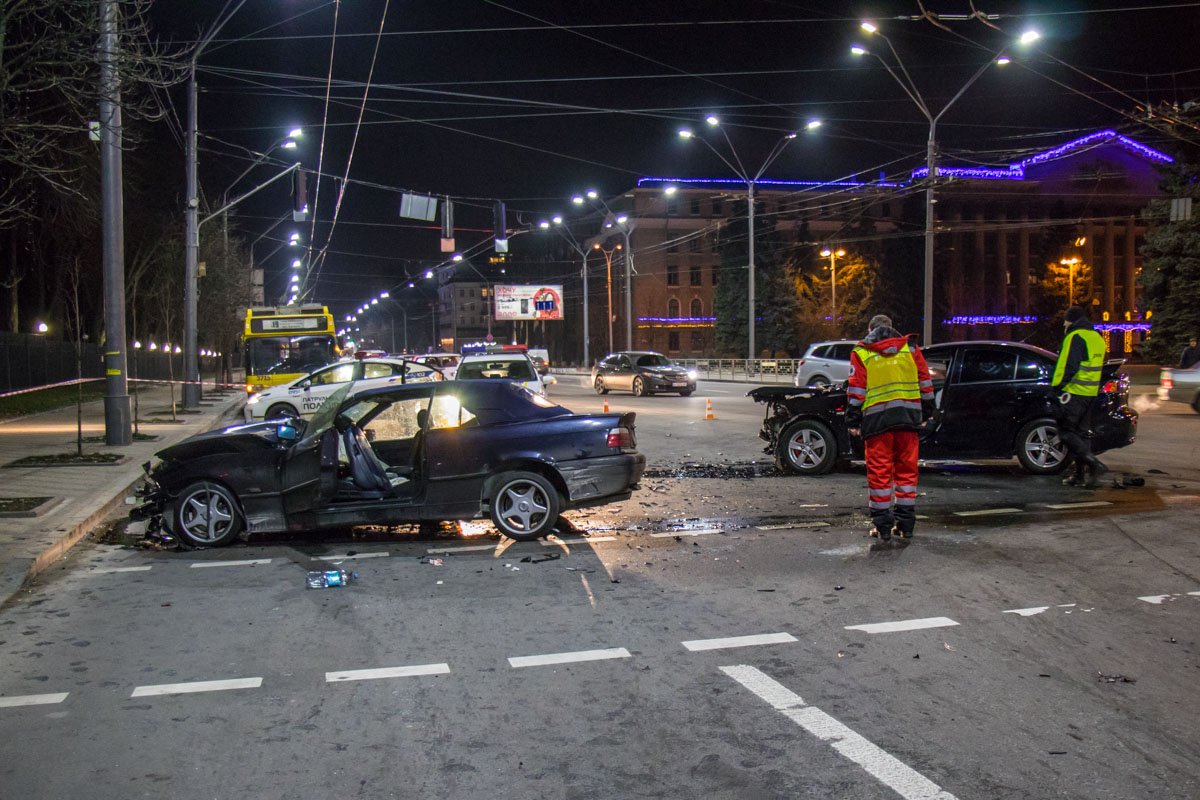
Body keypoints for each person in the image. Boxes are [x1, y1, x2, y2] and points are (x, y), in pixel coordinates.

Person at [846, 315, 935, 542]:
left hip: (877, 422)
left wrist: (853, 421)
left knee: (879, 474)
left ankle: (883, 527)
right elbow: (925, 382)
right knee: (907, 472)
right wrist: (927, 413)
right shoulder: (910, 349)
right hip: (908, 419)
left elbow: (857, 390)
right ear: (891, 327)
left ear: (870, 329)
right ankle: (906, 526)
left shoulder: (862, 351)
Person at [1052, 306, 1109, 488]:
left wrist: (1058, 388)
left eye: (1066, 320)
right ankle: (1082, 476)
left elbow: (1069, 366)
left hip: (1074, 391)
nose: (1064, 323)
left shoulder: (1075, 337)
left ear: (1073, 320)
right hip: (1090, 393)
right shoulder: (1096, 338)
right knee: (1082, 435)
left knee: (1066, 432)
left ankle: (1093, 463)